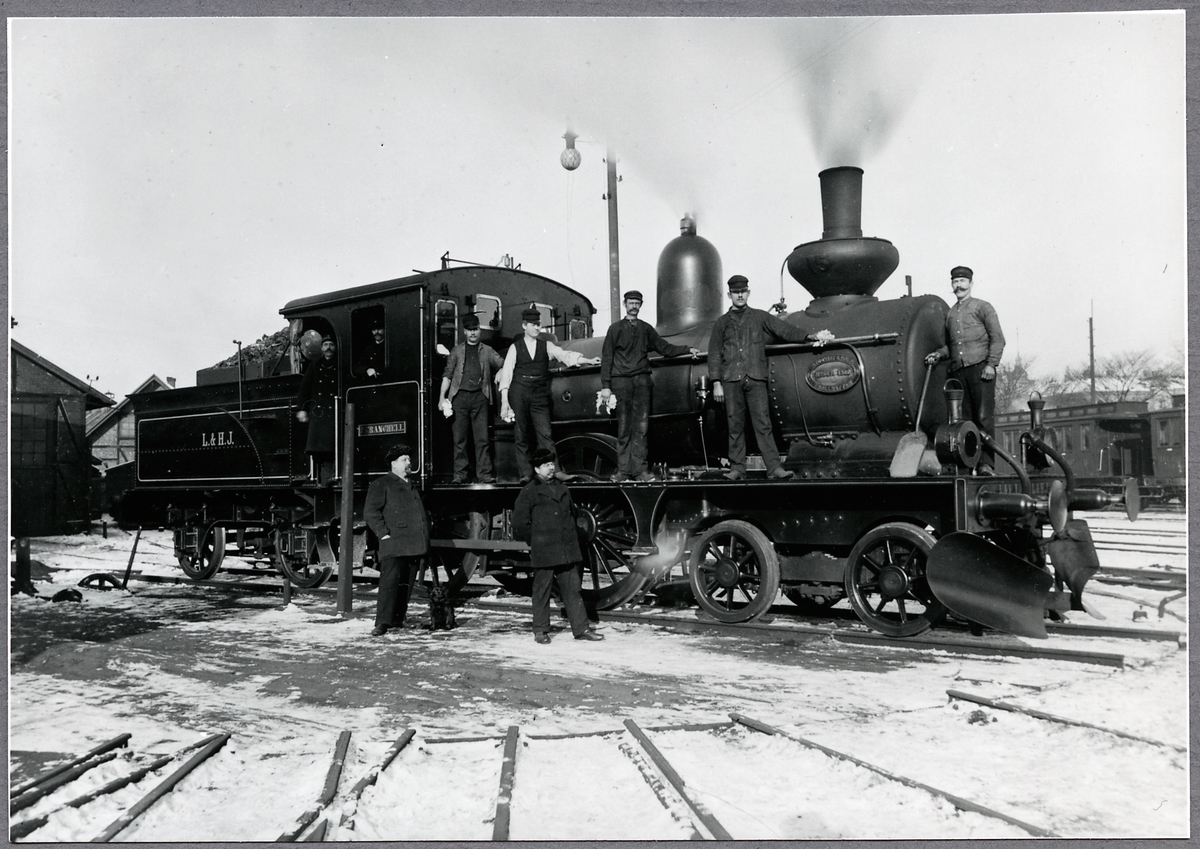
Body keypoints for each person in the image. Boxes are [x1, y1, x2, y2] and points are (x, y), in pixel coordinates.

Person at [708, 274, 811, 481]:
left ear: (748, 293)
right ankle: (737, 469)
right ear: (729, 294)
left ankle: (774, 468)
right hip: (731, 380)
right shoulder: (721, 323)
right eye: (736, 293)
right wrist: (716, 382)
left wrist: (809, 337)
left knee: (763, 423)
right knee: (734, 425)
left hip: (755, 378)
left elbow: (784, 330)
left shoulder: (760, 317)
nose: (740, 296)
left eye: (743, 292)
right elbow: (714, 353)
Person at [598, 290, 701, 482]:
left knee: (641, 426)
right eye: (631, 303)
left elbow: (664, 347)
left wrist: (687, 349)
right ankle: (623, 471)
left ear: (641, 305)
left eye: (637, 303)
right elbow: (607, 358)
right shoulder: (615, 329)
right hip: (621, 382)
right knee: (624, 427)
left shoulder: (646, 329)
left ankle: (640, 471)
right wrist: (606, 386)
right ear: (624, 304)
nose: (634, 306)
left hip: (642, 382)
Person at [512, 448, 605, 645]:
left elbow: (571, 514)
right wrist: (537, 540)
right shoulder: (529, 491)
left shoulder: (563, 488)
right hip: (545, 549)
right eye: (546, 465)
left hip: (567, 550)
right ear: (537, 468)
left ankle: (581, 629)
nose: (551, 467)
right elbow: (519, 523)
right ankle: (540, 630)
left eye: (552, 464)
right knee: (542, 590)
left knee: (573, 590)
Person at [499, 304, 600, 483]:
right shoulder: (515, 347)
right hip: (519, 391)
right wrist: (505, 402)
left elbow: (564, 355)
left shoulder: (546, 345)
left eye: (538, 324)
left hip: (539, 393)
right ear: (524, 326)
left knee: (545, 434)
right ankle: (526, 474)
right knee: (521, 434)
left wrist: (587, 360)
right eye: (533, 324)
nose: (537, 327)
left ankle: (557, 471)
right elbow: (506, 375)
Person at [925, 265, 1006, 475]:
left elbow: (998, 338)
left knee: (984, 418)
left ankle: (986, 464)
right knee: (964, 421)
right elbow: (950, 346)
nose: (958, 285)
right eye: (955, 282)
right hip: (959, 371)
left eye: (962, 281)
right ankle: (970, 463)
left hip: (980, 370)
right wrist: (938, 354)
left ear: (971, 283)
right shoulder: (951, 314)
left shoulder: (983, 307)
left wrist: (991, 364)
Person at [364, 443, 429, 637]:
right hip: (394, 542)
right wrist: (383, 534)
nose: (408, 463)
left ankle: (398, 619)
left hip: (413, 543)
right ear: (393, 464)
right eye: (404, 460)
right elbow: (371, 512)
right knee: (389, 583)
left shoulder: (411, 484)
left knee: (406, 584)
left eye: (409, 459)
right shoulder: (381, 484)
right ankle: (382, 623)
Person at [437, 313, 505, 484]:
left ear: (480, 330)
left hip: (480, 399)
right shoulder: (456, 351)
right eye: (469, 330)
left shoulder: (488, 351)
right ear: (464, 332)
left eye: (475, 329)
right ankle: (460, 475)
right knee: (460, 439)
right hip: (459, 399)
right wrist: (441, 397)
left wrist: (502, 371)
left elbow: (504, 363)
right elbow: (447, 375)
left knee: (482, 439)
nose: (473, 333)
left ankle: (484, 475)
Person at [294, 333, 339, 484]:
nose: (328, 348)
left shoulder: (339, 364)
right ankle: (321, 477)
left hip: (335, 410)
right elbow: (304, 388)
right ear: (321, 348)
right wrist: (301, 408)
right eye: (326, 345)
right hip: (318, 411)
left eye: (331, 345)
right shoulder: (315, 366)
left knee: (333, 444)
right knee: (318, 446)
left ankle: (331, 475)